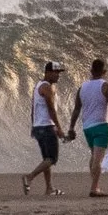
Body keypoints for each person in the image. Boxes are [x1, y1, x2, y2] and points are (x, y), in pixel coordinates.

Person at [70, 58, 108, 197]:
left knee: (94, 156)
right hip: (101, 126)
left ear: (91, 71)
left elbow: (76, 109)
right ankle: (94, 188)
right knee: (98, 159)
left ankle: (94, 184)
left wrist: (71, 128)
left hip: (87, 128)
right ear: (104, 72)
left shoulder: (82, 87)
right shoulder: (105, 86)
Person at [23, 60, 72, 195]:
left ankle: (49, 188)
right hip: (46, 127)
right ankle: (29, 177)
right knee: (52, 158)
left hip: (39, 127)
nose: (58, 76)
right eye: (55, 72)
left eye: (59, 73)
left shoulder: (38, 85)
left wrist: (33, 125)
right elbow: (51, 109)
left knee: (46, 159)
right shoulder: (46, 87)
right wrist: (59, 128)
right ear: (48, 72)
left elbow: (33, 108)